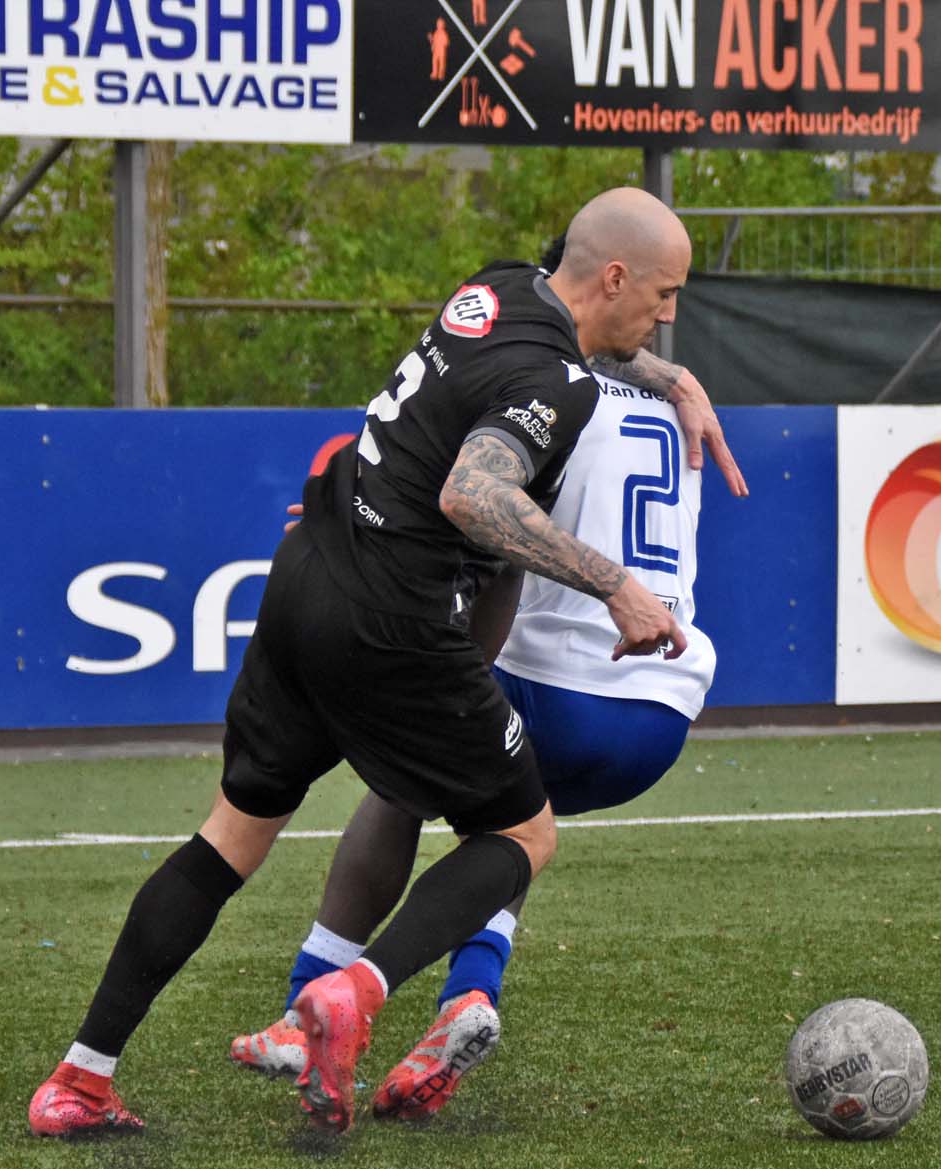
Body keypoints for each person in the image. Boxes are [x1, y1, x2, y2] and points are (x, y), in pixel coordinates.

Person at [28, 187, 725, 1139]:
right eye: (663, 293)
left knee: (230, 838)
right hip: (394, 622)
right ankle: (353, 992)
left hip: (308, 572)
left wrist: (667, 375)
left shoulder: (497, 288)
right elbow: (474, 496)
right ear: (613, 277)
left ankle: (79, 1080)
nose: (670, 314)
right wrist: (616, 586)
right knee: (523, 837)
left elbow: (571, 344)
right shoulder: (557, 387)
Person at [229, 351, 726, 1121]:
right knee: (511, 817)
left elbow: (476, 517)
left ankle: (309, 1008)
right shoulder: (669, 398)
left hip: (558, 680)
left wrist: (355, 526)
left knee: (400, 782)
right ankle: (468, 994)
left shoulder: (540, 389)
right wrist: (679, 376)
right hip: (664, 706)